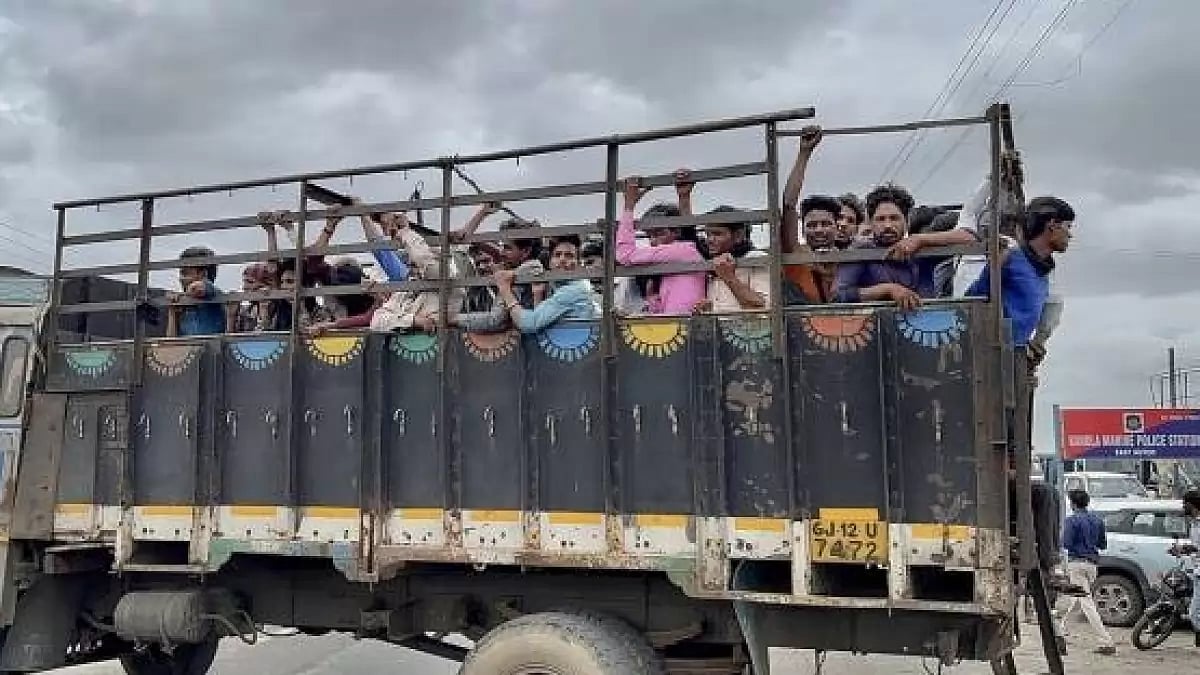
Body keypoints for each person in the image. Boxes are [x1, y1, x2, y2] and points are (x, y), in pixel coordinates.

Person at [965, 196, 1075, 349]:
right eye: (1067, 226)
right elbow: (972, 300)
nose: (1070, 235)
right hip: (990, 355)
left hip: (1016, 359)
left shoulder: (1044, 271)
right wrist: (993, 268)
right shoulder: (1011, 258)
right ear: (1052, 225)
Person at [831, 183, 937, 309]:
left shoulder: (921, 250)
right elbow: (837, 296)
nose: (887, 225)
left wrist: (921, 239)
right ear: (870, 222)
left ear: (906, 221)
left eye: (894, 218)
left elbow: (964, 235)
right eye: (880, 219)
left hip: (926, 324)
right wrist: (887, 289)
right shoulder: (861, 251)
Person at [614, 176, 706, 315]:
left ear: (677, 232)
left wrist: (629, 206)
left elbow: (625, 255)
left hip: (682, 327)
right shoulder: (668, 267)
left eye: (659, 233)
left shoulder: (683, 250)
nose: (653, 241)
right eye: (650, 235)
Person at [369, 211, 463, 333]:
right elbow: (377, 321)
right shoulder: (407, 288)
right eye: (411, 263)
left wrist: (405, 232)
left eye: (415, 263)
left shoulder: (451, 287)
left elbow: (426, 264)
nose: (413, 266)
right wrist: (413, 320)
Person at [495, 235, 597, 333]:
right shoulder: (563, 285)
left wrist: (505, 290)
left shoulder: (573, 290)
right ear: (550, 262)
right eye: (557, 255)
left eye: (569, 255)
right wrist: (537, 294)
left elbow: (529, 324)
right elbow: (541, 326)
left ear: (579, 264)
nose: (562, 260)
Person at [1058, 490, 1117, 655]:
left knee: (1086, 603)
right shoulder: (1097, 520)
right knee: (1078, 600)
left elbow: (1066, 543)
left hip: (1077, 564)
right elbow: (1103, 544)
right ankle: (1061, 632)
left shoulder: (1072, 521)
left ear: (1073, 504)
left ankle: (1105, 641)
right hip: (1092, 565)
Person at [696, 206, 770, 313]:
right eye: (708, 234)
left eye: (717, 234)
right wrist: (708, 310)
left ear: (738, 235)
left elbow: (763, 308)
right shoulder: (712, 263)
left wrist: (728, 277)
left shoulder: (756, 258)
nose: (710, 240)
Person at [167, 246, 225, 337]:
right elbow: (171, 342)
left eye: (185, 273)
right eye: (180, 274)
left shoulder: (213, 292)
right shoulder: (184, 305)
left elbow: (198, 288)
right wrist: (172, 312)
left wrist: (182, 295)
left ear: (203, 274)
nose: (181, 279)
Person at [1169, 490, 1200, 647]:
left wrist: (1183, 549)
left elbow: (1196, 547)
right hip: (1196, 569)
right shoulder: (1194, 522)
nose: (1182, 506)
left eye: (1184, 504)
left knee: (1194, 613)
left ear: (1191, 505)